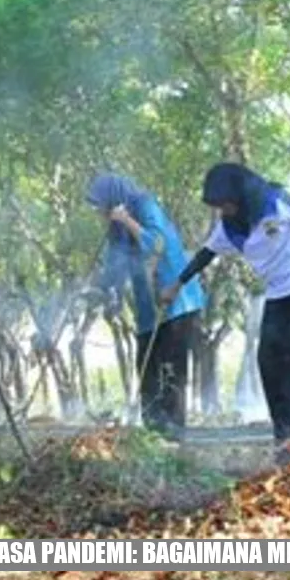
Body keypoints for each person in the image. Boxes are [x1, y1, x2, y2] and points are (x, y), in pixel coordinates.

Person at [161, 164, 290, 454]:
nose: (223, 211)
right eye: (218, 206)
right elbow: (206, 254)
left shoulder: (277, 202)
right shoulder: (229, 227)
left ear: (241, 194)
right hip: (276, 292)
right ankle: (283, 438)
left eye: (225, 203)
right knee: (268, 361)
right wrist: (177, 284)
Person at [87, 173, 207, 439]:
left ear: (113, 200)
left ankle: (174, 436)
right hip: (147, 309)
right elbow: (114, 266)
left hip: (175, 300)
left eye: (100, 206)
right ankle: (152, 435)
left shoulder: (145, 205)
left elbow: (157, 244)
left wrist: (127, 220)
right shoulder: (115, 230)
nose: (99, 212)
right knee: (147, 369)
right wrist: (102, 290)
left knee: (171, 371)